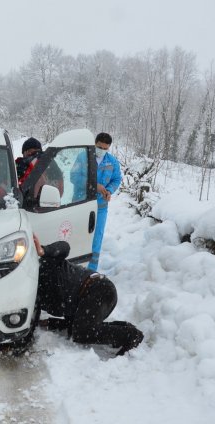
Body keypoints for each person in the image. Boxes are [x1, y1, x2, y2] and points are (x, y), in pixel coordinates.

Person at [33, 235, 143, 355]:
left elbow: (65, 246)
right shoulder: (29, 296)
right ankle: (124, 328)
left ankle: (130, 335)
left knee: (82, 332)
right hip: (83, 300)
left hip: (98, 288)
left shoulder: (43, 264)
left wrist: (43, 250)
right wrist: (50, 323)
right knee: (77, 329)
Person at [69, 132, 122, 271]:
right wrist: (94, 185)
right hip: (81, 204)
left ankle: (90, 272)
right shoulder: (83, 157)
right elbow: (73, 177)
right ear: (95, 144)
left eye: (105, 148)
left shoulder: (112, 161)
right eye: (99, 147)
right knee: (78, 237)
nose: (102, 151)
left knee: (96, 240)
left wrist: (109, 190)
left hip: (100, 207)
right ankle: (73, 269)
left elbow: (116, 179)